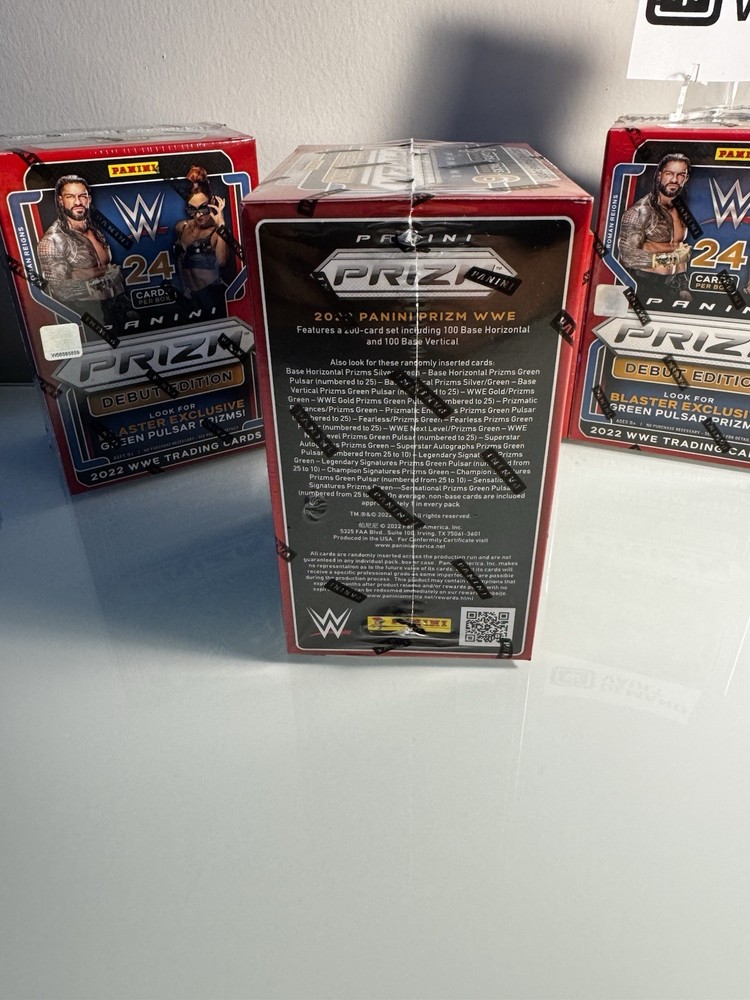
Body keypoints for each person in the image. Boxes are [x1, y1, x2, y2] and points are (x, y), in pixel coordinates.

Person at [37, 174, 127, 317]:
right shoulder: (53, 240)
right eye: (70, 197)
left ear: (89, 199)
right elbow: (59, 289)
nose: (78, 202)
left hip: (118, 306)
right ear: (61, 200)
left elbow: (108, 268)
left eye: (82, 196)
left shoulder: (94, 230)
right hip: (87, 312)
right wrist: (106, 281)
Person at [618, 153, 693, 302]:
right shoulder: (641, 211)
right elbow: (627, 256)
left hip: (671, 285)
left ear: (686, 178)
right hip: (644, 284)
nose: (674, 180)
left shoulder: (681, 208)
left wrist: (683, 286)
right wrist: (671, 258)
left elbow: (678, 247)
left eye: (680, 175)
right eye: (669, 173)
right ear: (659, 175)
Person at [173, 166, 227, 315]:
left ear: (212, 203)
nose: (198, 215)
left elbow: (221, 261)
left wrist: (221, 222)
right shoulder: (181, 227)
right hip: (190, 295)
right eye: (192, 209)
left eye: (203, 208)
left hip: (212, 293)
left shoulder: (217, 232)